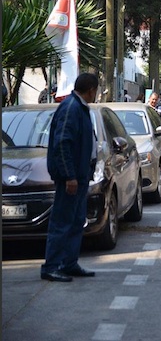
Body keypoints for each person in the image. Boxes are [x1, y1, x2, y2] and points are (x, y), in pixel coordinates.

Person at [41, 73, 99, 282]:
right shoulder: (71, 108)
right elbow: (62, 144)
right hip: (71, 179)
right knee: (62, 222)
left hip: (81, 176)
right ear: (91, 89)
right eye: (96, 91)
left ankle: (69, 263)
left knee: (76, 221)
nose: (96, 94)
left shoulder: (80, 108)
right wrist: (69, 176)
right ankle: (52, 266)